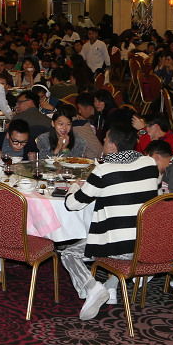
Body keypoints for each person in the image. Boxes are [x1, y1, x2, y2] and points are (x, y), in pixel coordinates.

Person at [61, 123, 160, 320]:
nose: (103, 141)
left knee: (68, 254)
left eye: (105, 139)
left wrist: (73, 187)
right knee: (124, 233)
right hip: (147, 245)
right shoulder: (150, 163)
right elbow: (154, 194)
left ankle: (93, 287)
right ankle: (111, 287)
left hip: (118, 248)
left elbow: (72, 205)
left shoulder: (104, 170)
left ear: (113, 146)